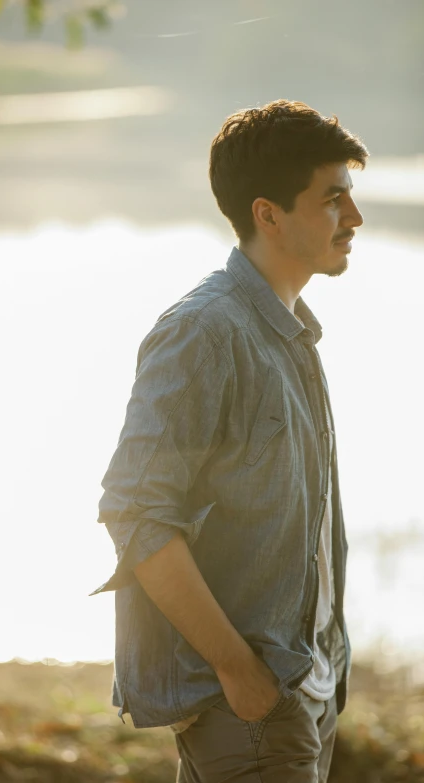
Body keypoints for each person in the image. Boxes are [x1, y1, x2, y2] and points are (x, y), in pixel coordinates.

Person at [90, 99, 368, 782]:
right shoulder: (204, 332)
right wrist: (240, 674)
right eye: (333, 200)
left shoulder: (291, 331)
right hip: (248, 707)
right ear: (268, 213)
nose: (355, 218)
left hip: (301, 694)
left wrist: (314, 678)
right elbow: (137, 513)